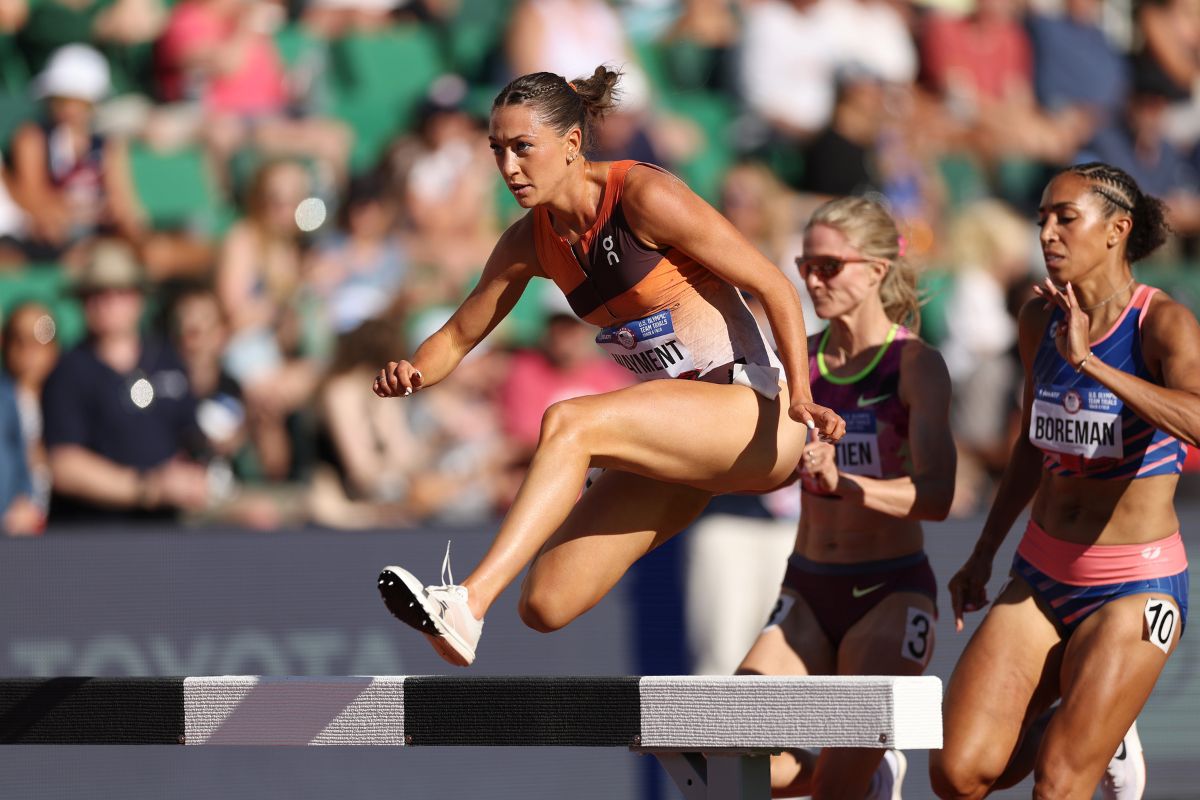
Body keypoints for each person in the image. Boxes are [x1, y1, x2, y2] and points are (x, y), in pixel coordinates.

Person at [373, 66, 844, 667]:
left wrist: (800, 394)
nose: (508, 168)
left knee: (570, 420)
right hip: (686, 437)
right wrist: (412, 371)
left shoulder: (644, 195)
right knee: (545, 603)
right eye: (497, 150)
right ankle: (479, 605)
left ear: (571, 146)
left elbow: (774, 284)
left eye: (523, 148)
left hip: (760, 415)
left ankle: (466, 602)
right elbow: (459, 335)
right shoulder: (529, 243)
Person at [929, 162, 1198, 799]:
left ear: (1116, 230)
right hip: (1044, 571)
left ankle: (1090, 736)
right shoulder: (1036, 321)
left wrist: (1093, 366)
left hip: (1135, 585)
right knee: (958, 774)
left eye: (1065, 219)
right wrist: (983, 552)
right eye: (1041, 219)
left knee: (1058, 784)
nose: (1047, 234)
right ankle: (1088, 726)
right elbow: (1030, 444)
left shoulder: (1161, 325)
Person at [736, 196, 955, 799]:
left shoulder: (914, 365)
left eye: (829, 266)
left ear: (876, 271)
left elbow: (938, 496)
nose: (811, 278)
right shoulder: (798, 358)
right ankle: (870, 771)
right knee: (735, 756)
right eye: (806, 264)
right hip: (806, 585)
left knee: (838, 786)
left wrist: (845, 483)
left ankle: (857, 770)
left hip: (888, 591)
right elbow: (765, 464)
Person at [41, 239, 210, 525]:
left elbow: (191, 435)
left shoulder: (167, 360)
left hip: (165, 530)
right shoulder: (68, 370)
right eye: (96, 293)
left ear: (139, 298)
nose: (108, 302)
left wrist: (193, 475)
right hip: (94, 534)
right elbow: (64, 465)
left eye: (120, 292)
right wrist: (147, 488)